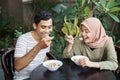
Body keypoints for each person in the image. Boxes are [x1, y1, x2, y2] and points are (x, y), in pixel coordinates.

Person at [14, 11, 54, 80]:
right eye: (43, 27)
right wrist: (39, 46)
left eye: (49, 27)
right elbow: (18, 66)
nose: (47, 31)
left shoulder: (46, 39)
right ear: (35, 26)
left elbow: (43, 58)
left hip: (40, 76)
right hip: (25, 78)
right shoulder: (23, 39)